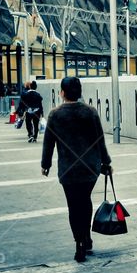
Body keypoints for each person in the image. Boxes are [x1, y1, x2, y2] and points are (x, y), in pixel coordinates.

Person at [41, 76, 112, 263]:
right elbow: (100, 140)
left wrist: (45, 164)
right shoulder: (91, 112)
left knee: (73, 205)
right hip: (90, 168)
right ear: (79, 92)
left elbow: (48, 143)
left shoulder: (55, 115)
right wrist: (106, 162)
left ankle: (79, 242)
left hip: (68, 169)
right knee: (85, 200)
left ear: (62, 93)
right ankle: (86, 237)